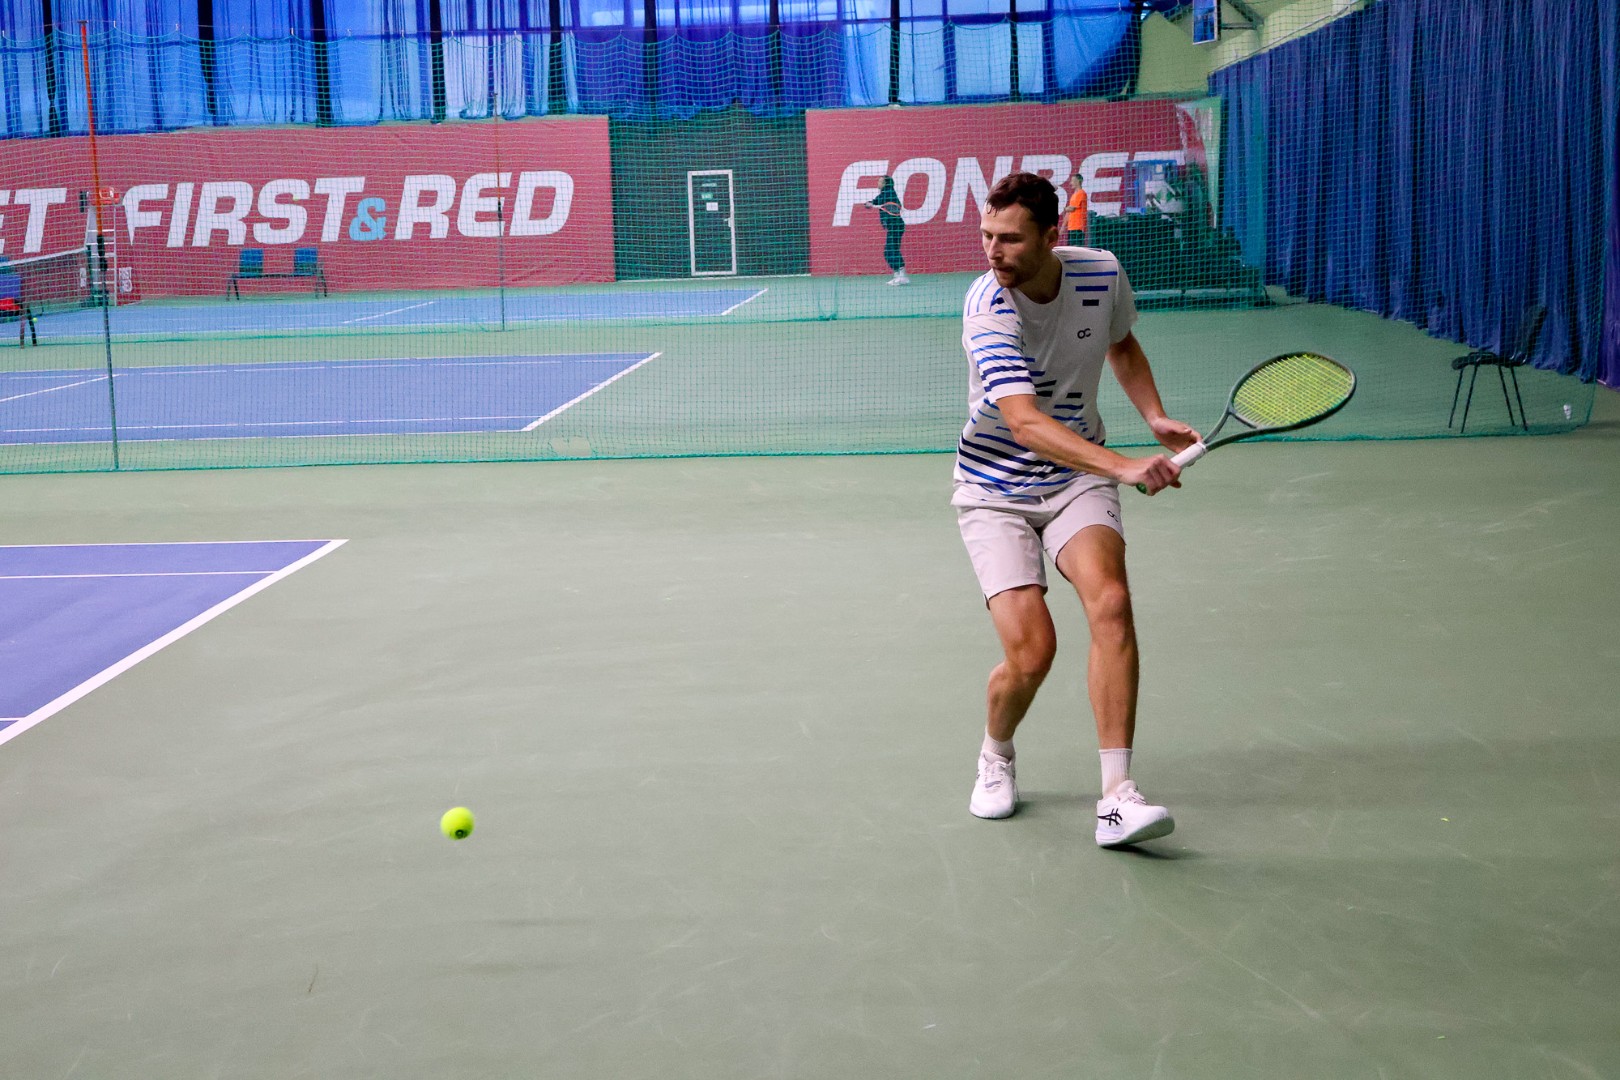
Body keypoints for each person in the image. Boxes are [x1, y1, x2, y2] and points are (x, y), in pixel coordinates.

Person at [955, 172, 1198, 847]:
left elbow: (1120, 343)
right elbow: (1025, 423)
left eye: (1010, 239)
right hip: (994, 489)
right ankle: (996, 752)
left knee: (1111, 602)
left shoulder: (1101, 272)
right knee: (1033, 652)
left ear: (1051, 236)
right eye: (987, 236)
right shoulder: (987, 307)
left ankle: (1117, 797)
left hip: (1075, 478)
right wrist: (1124, 466)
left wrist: (1153, 416)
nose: (993, 251)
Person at [865, 176, 909, 285]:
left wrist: (871, 204)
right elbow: (876, 201)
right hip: (894, 226)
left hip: (895, 226)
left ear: (885, 183)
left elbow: (878, 201)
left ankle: (902, 275)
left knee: (891, 250)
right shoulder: (885, 193)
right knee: (890, 251)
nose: (878, 183)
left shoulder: (889, 192)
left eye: (880, 181)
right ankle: (898, 275)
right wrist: (870, 203)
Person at [1064, 174, 1089, 247]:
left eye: (1072, 181)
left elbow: (1072, 208)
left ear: (1078, 181)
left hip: (1078, 226)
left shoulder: (1081, 193)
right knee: (1071, 247)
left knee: (1076, 247)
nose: (1070, 183)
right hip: (1072, 226)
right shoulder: (1074, 195)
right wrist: (1063, 226)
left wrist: (1065, 208)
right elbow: (1069, 212)